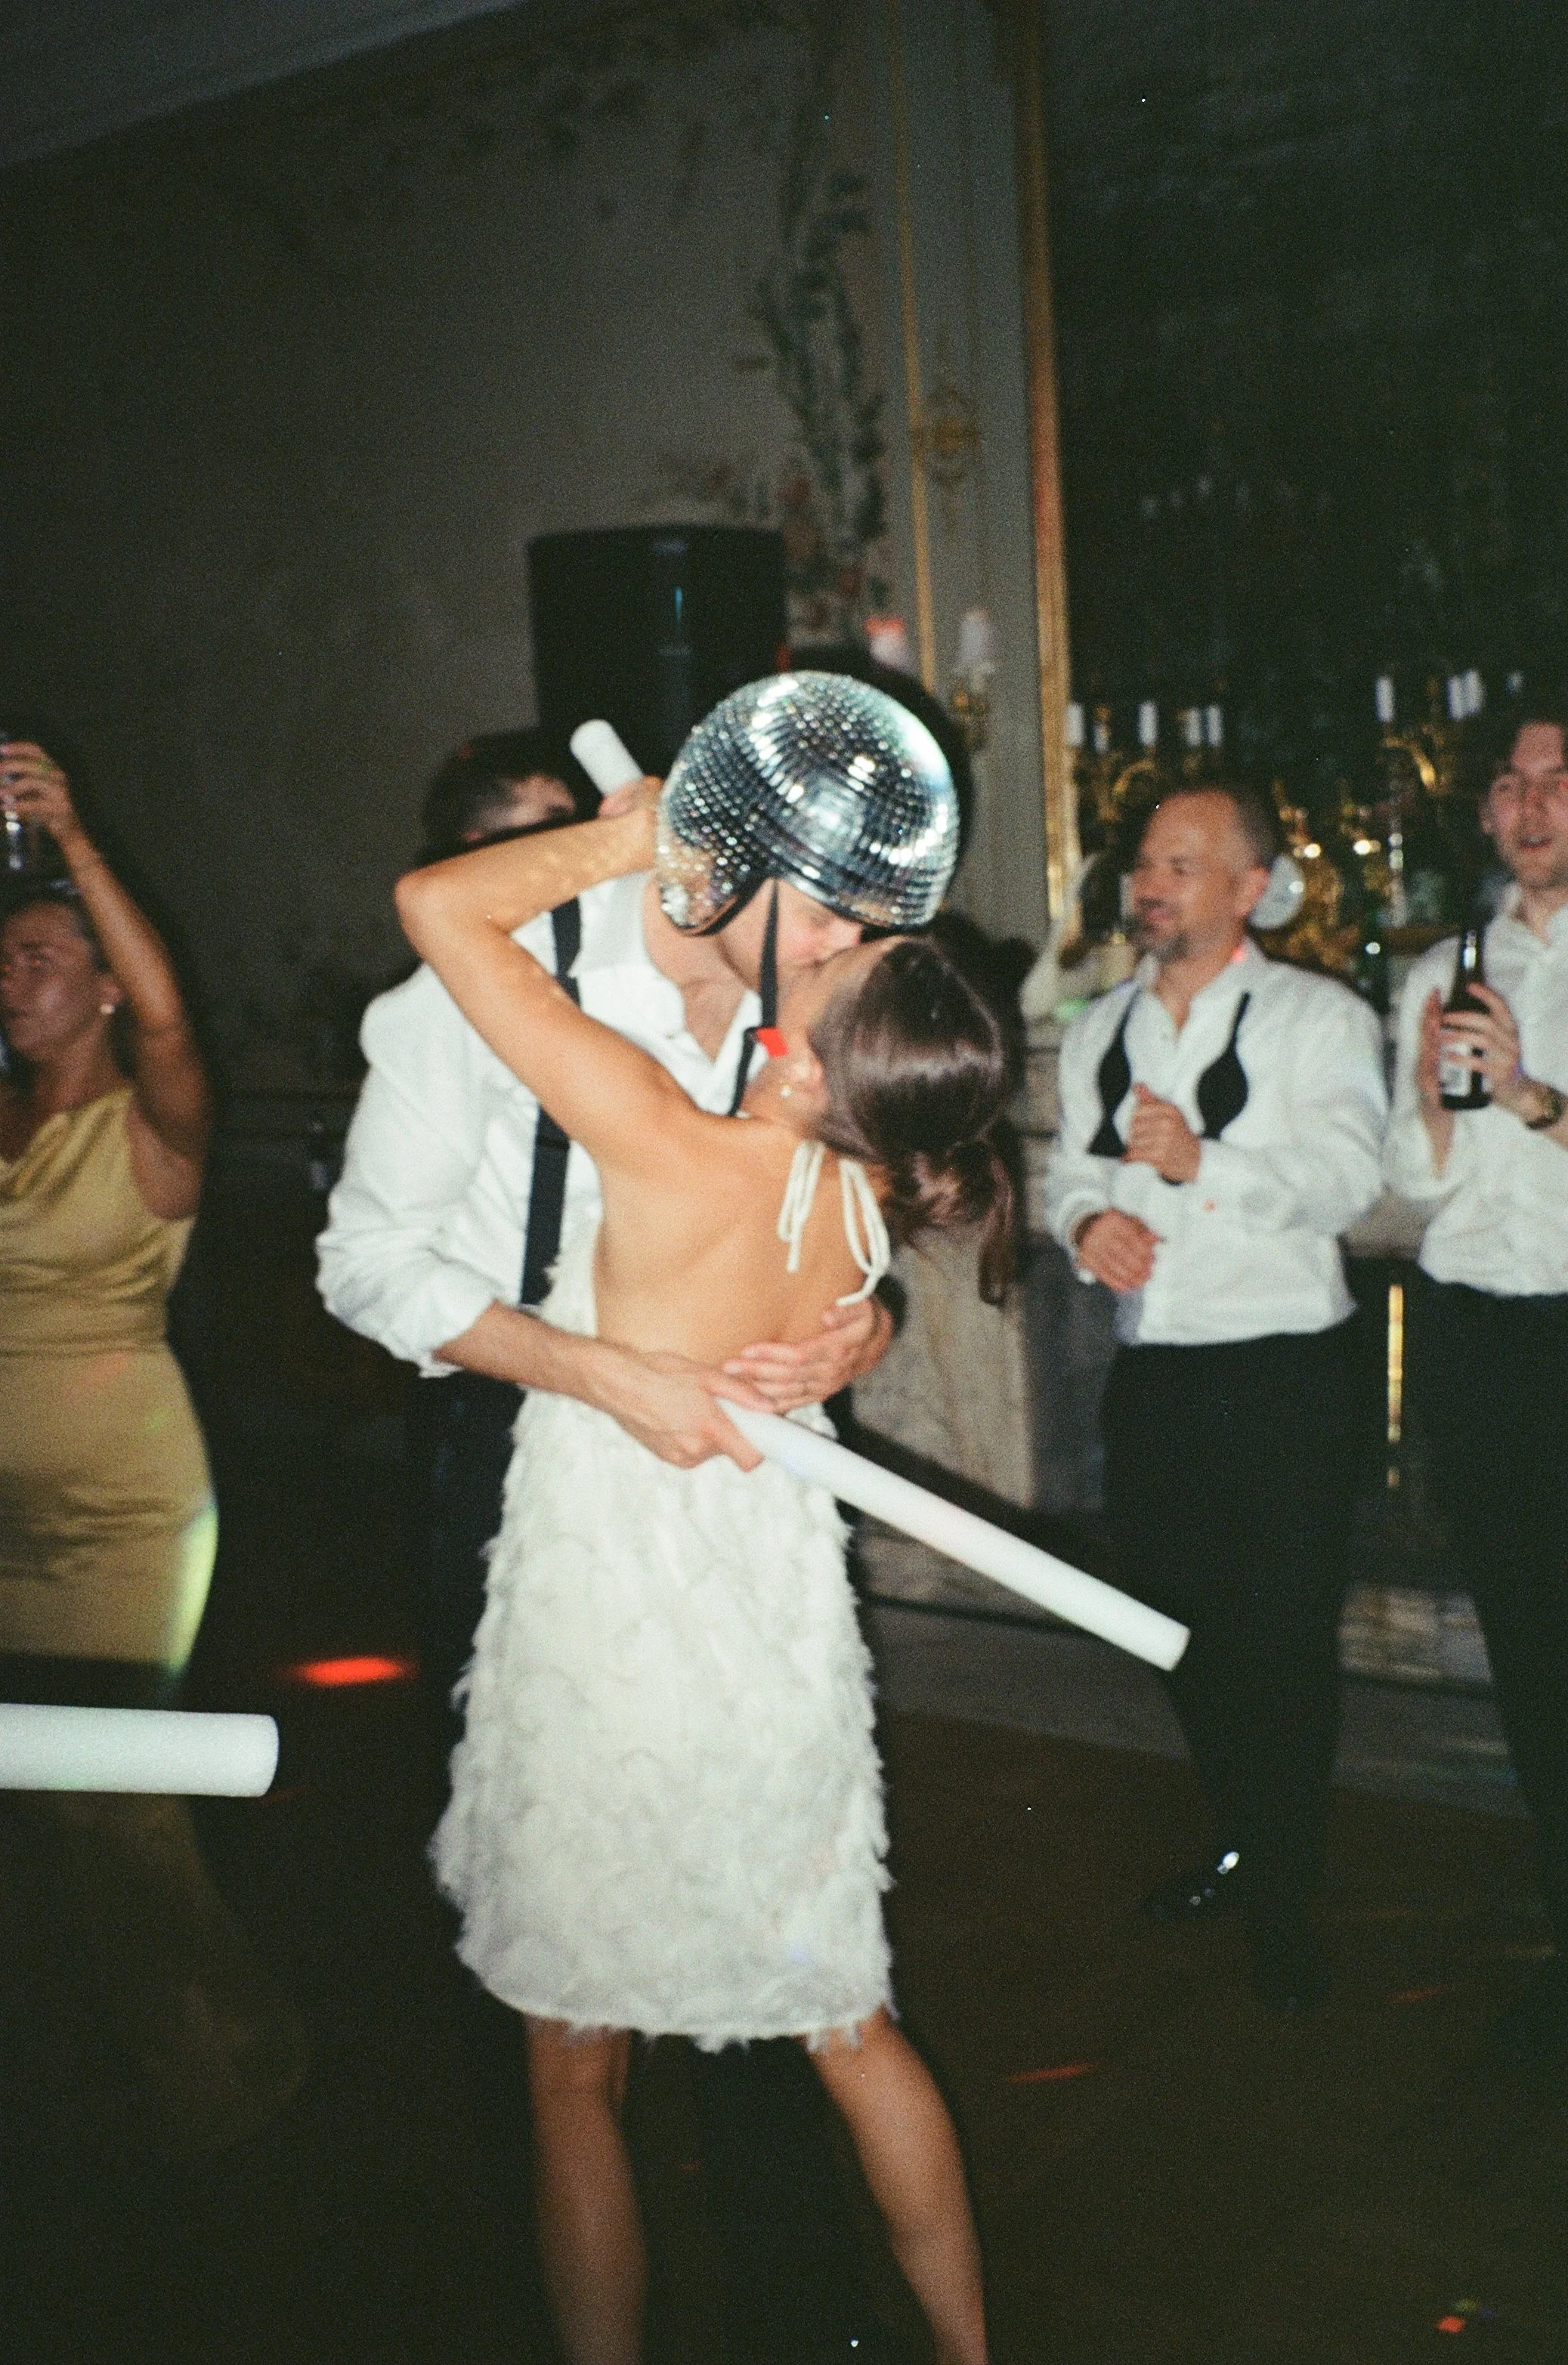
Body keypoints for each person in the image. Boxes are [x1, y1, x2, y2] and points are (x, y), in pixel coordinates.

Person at [397, 674, 1006, 2365]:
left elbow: (435, 906)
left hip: (612, 1588)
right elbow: (855, 1269)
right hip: (765, 1586)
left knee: (571, 2060)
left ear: (801, 1048)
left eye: (829, 960)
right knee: (844, 2013)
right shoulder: (864, 1185)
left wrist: (629, 835)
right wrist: (864, 1321)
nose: (807, 942)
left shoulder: (671, 1144)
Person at [0, 737, 305, 2150]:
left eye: (48, 949)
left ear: (109, 981)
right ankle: (134, 2060)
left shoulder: (152, 1124)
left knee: (121, 1806)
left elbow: (178, 1019)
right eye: (7, 951)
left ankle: (240, 2069)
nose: (18, 968)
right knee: (50, 1809)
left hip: (126, 1508)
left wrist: (75, 842)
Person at [1042, 784, 1387, 2008]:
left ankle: (1285, 1903)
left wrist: (1207, 1166)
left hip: (1279, 1372)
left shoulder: (1315, 1017)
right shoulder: (1099, 1027)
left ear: (1249, 887)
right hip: (1159, 1378)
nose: (1152, 884)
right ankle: (1246, 1841)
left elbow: (1351, 1174)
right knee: (1179, 1632)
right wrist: (1088, 1221)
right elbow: (1065, 1173)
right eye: (1145, 862)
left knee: (1281, 1643)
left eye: (1184, 864)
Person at [1386, 700, 1568, 2059]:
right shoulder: (1444, 966)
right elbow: (1407, 1182)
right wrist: (1437, 1103)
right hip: (1476, 1334)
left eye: (1555, 781)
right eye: (1510, 783)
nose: (1527, 805)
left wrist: (1531, 1098)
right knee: (1523, 1633)